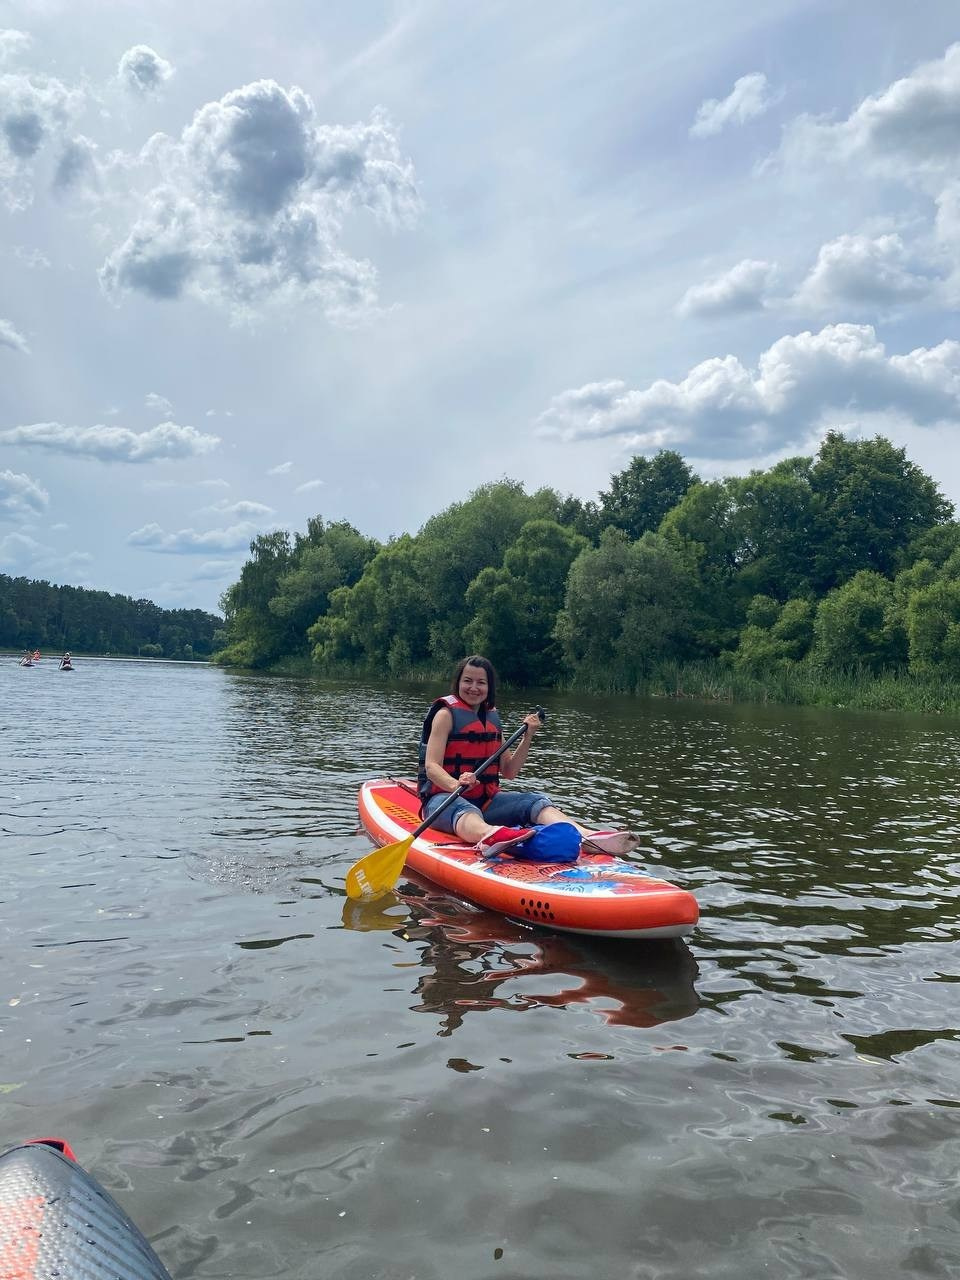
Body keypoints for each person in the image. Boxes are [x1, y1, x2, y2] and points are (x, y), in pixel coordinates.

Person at [417, 654, 638, 857]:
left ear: (489, 686)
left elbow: (510, 771)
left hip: (486, 802)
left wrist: (528, 736)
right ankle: (489, 836)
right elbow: (432, 767)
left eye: (481, 682)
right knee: (465, 809)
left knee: (534, 801)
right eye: (468, 680)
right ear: (458, 683)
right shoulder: (445, 715)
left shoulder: (491, 719)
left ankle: (586, 837)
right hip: (444, 800)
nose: (473, 687)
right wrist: (456, 783)